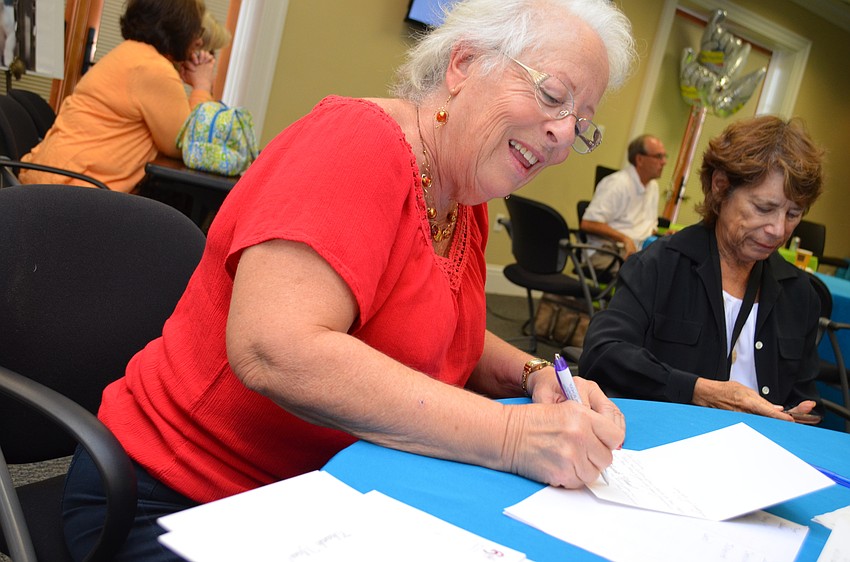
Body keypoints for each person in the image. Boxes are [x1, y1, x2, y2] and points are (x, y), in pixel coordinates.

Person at [61, 0, 636, 559]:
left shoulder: (464, 194)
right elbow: (276, 348)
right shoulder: (357, 143)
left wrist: (535, 374)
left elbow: (438, 327)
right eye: (553, 96)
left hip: (318, 496)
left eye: (581, 125)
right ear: (463, 65)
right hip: (181, 497)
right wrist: (514, 438)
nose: (563, 134)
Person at [579, 115, 825, 423]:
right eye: (764, 208)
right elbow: (602, 353)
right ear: (721, 187)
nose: (778, 229)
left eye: (793, 214)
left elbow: (807, 399)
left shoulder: (800, 293)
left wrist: (800, 417)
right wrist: (699, 391)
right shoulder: (659, 265)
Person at [19, 0, 216, 193]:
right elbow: (185, 145)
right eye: (196, 31)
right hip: (73, 190)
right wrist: (202, 85)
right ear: (178, 28)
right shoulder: (153, 69)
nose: (199, 41)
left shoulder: (131, 54)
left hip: (49, 178)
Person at [580, 134, 667, 277]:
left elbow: (644, 228)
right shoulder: (618, 184)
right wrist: (625, 239)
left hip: (639, 252)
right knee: (653, 279)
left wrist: (665, 236)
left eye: (664, 156)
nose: (664, 162)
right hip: (608, 252)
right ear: (640, 159)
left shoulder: (653, 187)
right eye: (658, 156)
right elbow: (588, 223)